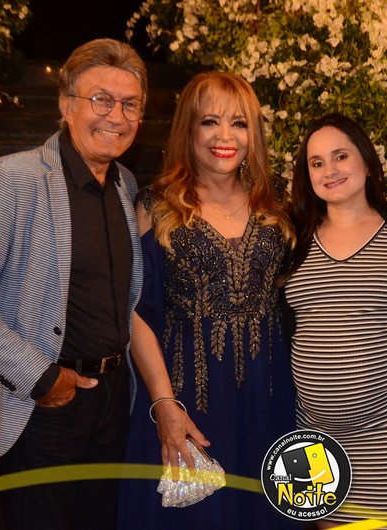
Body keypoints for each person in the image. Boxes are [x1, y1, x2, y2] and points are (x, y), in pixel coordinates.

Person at [0, 38, 146, 530]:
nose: (116, 116)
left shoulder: (125, 185)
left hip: (114, 403)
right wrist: (42, 379)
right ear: (67, 105)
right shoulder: (14, 178)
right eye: (101, 100)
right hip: (43, 405)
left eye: (130, 104)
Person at [117, 71, 298, 529]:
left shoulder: (278, 205)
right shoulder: (157, 206)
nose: (225, 136)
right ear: (189, 129)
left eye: (239, 123)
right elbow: (136, 313)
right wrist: (164, 404)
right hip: (186, 397)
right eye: (210, 121)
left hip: (269, 398)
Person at [281, 113, 387, 528]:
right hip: (313, 437)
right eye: (317, 162)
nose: (330, 170)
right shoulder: (292, 239)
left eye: (340, 156)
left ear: (365, 158)